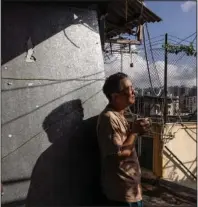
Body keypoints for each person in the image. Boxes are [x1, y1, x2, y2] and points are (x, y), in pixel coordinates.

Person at [97, 72, 150, 207]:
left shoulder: (120, 115)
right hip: (121, 195)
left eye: (132, 88)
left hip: (130, 190)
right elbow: (119, 153)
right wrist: (134, 132)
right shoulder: (109, 118)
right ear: (115, 96)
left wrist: (136, 131)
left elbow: (126, 143)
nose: (133, 92)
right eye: (128, 89)